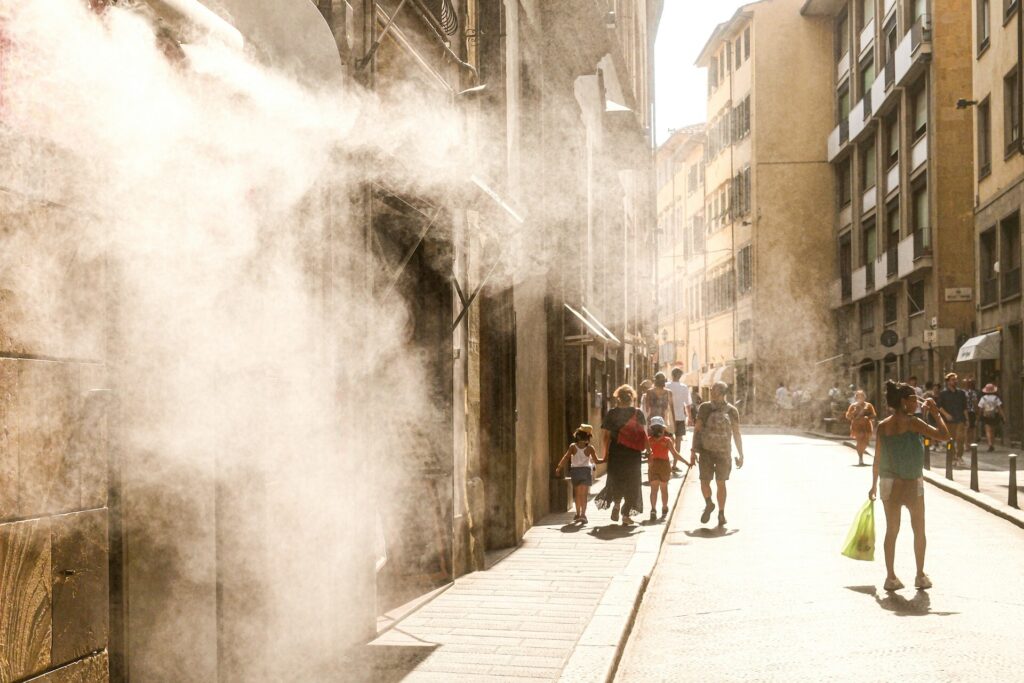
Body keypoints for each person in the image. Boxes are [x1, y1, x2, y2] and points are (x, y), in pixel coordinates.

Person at [871, 381, 949, 592]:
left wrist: (873, 485)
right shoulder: (913, 423)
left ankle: (890, 577)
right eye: (913, 398)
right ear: (903, 402)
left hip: (888, 481)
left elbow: (877, 458)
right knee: (919, 528)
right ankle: (920, 575)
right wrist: (936, 413)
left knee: (891, 530)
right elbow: (944, 435)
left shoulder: (883, 425)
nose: (917, 402)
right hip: (911, 481)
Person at [691, 381, 744, 527]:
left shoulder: (705, 407)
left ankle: (709, 502)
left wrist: (693, 451)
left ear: (717, 392)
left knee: (704, 481)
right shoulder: (732, 410)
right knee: (721, 483)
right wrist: (741, 454)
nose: (711, 392)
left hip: (706, 451)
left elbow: (697, 429)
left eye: (712, 390)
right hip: (724, 452)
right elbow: (736, 433)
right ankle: (721, 513)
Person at [595, 385, 646, 525]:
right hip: (633, 454)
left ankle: (617, 505)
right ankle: (626, 515)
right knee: (632, 482)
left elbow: (606, 436)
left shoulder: (612, 413)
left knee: (616, 479)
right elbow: (642, 434)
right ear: (631, 398)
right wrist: (648, 451)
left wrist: (605, 454)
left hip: (616, 452)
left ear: (618, 398)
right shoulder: (638, 413)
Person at [645, 416, 689, 520]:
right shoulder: (667, 440)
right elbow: (675, 454)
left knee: (654, 490)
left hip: (653, 465)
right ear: (663, 429)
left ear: (651, 429)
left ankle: (653, 509)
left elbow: (646, 453)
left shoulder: (649, 440)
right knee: (664, 489)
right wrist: (686, 462)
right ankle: (664, 507)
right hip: (664, 465)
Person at [555, 424, 599, 524]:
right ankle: (583, 515)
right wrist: (606, 459)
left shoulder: (572, 447)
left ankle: (578, 514)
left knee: (577, 494)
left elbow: (566, 457)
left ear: (578, 435)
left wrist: (559, 467)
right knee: (584, 495)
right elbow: (596, 460)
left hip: (575, 472)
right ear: (588, 437)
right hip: (586, 472)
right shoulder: (590, 448)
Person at [936, 372, 968, 466]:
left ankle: (959, 456)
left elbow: (965, 407)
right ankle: (953, 457)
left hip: (960, 418)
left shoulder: (961, 393)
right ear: (948, 382)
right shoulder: (943, 394)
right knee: (951, 439)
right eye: (953, 380)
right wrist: (946, 415)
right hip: (949, 420)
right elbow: (939, 406)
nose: (955, 381)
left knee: (960, 438)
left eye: (956, 379)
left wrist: (967, 419)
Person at [845, 390, 877, 466]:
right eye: (858, 397)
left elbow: (874, 415)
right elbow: (848, 416)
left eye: (861, 396)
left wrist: (867, 417)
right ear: (856, 398)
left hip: (866, 427)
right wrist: (853, 413)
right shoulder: (853, 406)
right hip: (856, 427)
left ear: (864, 397)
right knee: (859, 442)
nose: (860, 398)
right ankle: (860, 458)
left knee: (865, 442)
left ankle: (861, 453)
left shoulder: (868, 405)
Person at [665, 368, 692, 453]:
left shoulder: (666, 386)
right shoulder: (684, 387)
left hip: (668, 417)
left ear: (672, 375)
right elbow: (687, 404)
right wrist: (690, 417)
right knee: (678, 440)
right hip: (680, 417)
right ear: (680, 376)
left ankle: (669, 455)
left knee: (667, 437)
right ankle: (675, 460)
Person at [977, 384, 1005, 452]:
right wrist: (1003, 416)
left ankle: (990, 444)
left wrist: (979, 416)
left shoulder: (983, 398)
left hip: (986, 415)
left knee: (988, 430)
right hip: (994, 415)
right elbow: (999, 408)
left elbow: (980, 408)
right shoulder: (996, 398)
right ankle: (992, 443)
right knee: (993, 430)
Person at [963, 377, 979, 446]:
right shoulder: (972, 392)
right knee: (970, 428)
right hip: (969, 411)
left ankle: (967, 443)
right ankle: (969, 443)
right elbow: (975, 403)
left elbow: (975, 402)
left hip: (967, 411)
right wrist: (977, 412)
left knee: (968, 428)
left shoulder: (963, 392)